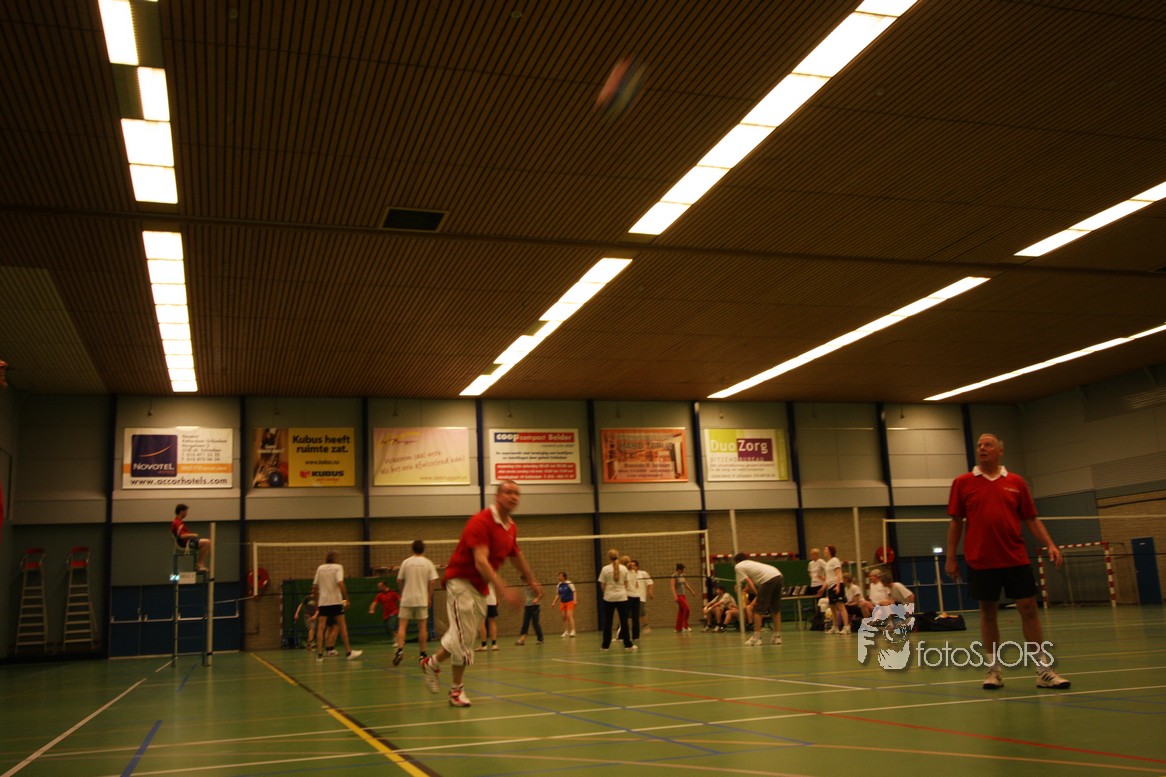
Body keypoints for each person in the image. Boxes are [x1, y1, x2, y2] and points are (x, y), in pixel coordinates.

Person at [946, 432, 1070, 690]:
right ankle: (994, 670)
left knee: (1028, 608)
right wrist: (951, 558)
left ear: (1000, 451)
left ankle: (1043, 670)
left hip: (1015, 557)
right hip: (981, 560)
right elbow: (956, 522)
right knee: (988, 612)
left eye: (988, 445)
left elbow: (1031, 519)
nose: (982, 448)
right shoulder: (962, 482)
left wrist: (1050, 543)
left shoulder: (1016, 482)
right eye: (979, 445)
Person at [420, 480, 540, 707]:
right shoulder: (481, 522)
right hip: (460, 582)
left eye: (517, 493)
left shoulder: (510, 527)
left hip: (480, 587)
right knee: (464, 639)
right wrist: (503, 589)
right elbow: (481, 561)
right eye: (508, 492)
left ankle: (432, 663)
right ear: (497, 496)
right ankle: (456, 691)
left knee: (464, 636)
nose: (513, 496)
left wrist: (531, 580)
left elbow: (516, 554)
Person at [393, 539, 439, 666]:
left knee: (402, 625)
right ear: (423, 549)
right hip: (421, 599)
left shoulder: (406, 562)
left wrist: (402, 593)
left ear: (412, 549)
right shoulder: (428, 563)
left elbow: (399, 580)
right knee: (422, 627)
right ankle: (422, 654)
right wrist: (429, 597)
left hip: (407, 598)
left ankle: (400, 650)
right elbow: (433, 582)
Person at [312, 550, 363, 661]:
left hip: (323, 602)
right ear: (335, 559)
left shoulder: (320, 568)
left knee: (321, 627)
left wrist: (316, 601)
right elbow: (340, 583)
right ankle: (348, 652)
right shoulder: (338, 567)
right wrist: (346, 597)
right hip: (335, 601)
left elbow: (314, 587)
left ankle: (319, 655)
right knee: (342, 626)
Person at [734, 553, 783, 645]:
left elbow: (749, 581)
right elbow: (751, 581)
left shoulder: (738, 566)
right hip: (778, 575)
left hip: (768, 579)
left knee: (758, 610)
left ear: (737, 561)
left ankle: (757, 638)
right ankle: (777, 637)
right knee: (775, 609)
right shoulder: (751, 564)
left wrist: (757, 594)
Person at [597, 549, 635, 651]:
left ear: (609, 557)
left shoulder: (605, 569)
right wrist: (621, 591)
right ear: (618, 556)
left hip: (609, 598)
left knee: (608, 622)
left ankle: (605, 646)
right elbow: (626, 584)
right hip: (622, 598)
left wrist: (608, 593)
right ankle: (628, 645)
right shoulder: (624, 569)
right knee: (624, 621)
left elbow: (602, 585)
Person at [169, 504, 211, 572]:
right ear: (181, 511)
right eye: (186, 512)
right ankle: (199, 564)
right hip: (185, 543)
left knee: (207, 542)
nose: (186, 514)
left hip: (188, 541)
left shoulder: (178, 522)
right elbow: (182, 536)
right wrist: (192, 534)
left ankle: (200, 564)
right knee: (207, 542)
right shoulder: (177, 523)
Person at [821, 545, 848, 634]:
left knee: (841, 606)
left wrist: (838, 586)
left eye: (825, 549)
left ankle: (846, 627)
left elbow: (839, 574)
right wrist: (823, 588)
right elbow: (828, 578)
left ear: (830, 551)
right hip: (830, 587)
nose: (824, 551)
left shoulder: (835, 560)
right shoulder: (827, 563)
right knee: (832, 608)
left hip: (836, 585)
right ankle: (835, 627)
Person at [671, 563, 696, 633]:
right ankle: (685, 626)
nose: (683, 570)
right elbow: (672, 586)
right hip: (678, 595)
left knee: (681, 610)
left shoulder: (682, 575)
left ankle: (678, 628)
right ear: (678, 569)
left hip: (683, 594)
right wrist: (675, 596)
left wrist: (691, 591)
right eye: (682, 569)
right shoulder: (674, 576)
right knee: (687, 609)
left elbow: (685, 583)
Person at [622, 555, 642, 642]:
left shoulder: (624, 572)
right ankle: (636, 636)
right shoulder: (634, 572)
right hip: (637, 596)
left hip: (628, 596)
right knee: (635, 618)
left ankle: (622, 636)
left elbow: (625, 585)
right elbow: (637, 585)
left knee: (624, 617)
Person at [476, 583, 500, 652]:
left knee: (481, 622)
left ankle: (484, 645)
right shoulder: (493, 576)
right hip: (491, 600)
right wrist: (497, 598)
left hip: (481, 600)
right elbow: (496, 586)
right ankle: (494, 645)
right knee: (492, 621)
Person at [552, 571, 577, 637]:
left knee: (569, 616)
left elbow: (574, 592)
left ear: (564, 577)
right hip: (563, 602)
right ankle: (566, 631)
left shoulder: (569, 583)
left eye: (560, 576)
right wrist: (554, 602)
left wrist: (575, 600)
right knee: (564, 617)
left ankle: (573, 631)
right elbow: (558, 594)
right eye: (558, 576)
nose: (559, 577)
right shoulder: (559, 585)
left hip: (570, 601)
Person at [632, 560, 654, 633]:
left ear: (637, 567)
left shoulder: (643, 573)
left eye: (634, 565)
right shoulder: (628, 574)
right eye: (631, 566)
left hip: (640, 597)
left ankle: (645, 626)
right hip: (630, 597)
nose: (632, 567)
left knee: (641, 612)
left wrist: (650, 592)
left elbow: (650, 583)